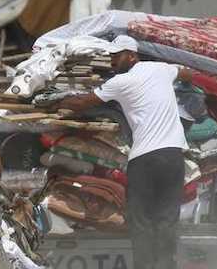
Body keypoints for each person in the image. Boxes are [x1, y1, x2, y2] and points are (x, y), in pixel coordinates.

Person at [57, 35, 191, 269]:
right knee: (168, 218)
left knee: (140, 221)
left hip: (145, 159)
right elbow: (187, 73)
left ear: (131, 55)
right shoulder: (161, 69)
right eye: (110, 57)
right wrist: (214, 89)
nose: (112, 61)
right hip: (173, 156)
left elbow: (82, 103)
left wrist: (53, 102)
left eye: (116, 56)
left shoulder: (120, 82)